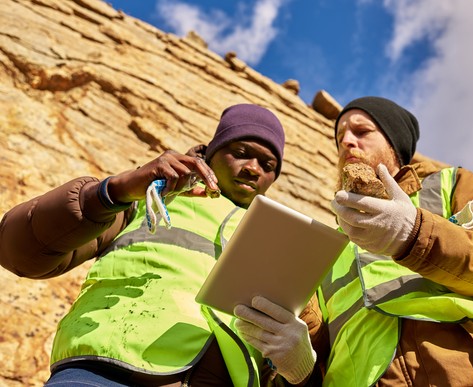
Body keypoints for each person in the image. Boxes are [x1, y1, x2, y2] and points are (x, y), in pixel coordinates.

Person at [234, 96, 473, 386]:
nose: (346, 141)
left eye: (362, 131)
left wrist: (415, 234)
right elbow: (317, 361)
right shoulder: (325, 248)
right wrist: (299, 371)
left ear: (393, 141)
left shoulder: (449, 184)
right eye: (340, 136)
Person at [0, 103, 312, 386]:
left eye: (267, 165)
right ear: (212, 151)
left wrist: (299, 371)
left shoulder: (279, 240)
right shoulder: (150, 197)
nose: (252, 168)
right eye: (241, 151)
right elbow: (19, 252)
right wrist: (113, 191)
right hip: (104, 372)